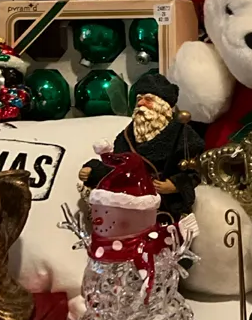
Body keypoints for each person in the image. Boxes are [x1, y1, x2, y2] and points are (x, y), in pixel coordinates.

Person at [79, 73, 204, 223]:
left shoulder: (183, 136)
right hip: (131, 206)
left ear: (162, 106)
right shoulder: (126, 137)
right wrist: (93, 170)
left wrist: (174, 185)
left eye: (148, 99)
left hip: (166, 208)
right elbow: (116, 168)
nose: (141, 104)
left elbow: (194, 172)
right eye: (139, 99)